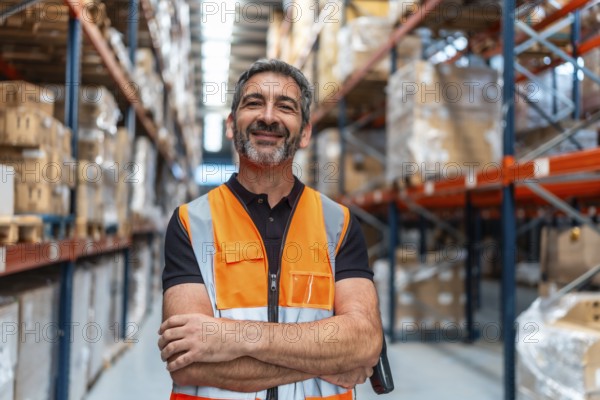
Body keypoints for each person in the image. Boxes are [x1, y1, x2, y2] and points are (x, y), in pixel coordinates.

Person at [158, 59, 383, 400]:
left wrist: (230, 337)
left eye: (286, 107)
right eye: (253, 103)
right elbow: (188, 362)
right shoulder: (192, 222)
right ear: (231, 125)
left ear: (305, 132)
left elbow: (364, 341)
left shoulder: (338, 223)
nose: (268, 116)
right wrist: (329, 359)